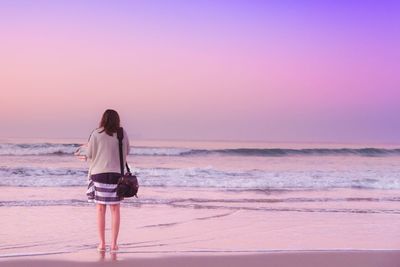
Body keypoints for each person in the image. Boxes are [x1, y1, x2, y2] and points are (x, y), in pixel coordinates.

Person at [85, 109, 130, 253]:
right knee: (115, 209)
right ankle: (114, 244)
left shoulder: (96, 133)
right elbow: (127, 151)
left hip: (99, 174)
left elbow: (89, 154)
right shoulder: (122, 134)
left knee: (100, 209)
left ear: (103, 119)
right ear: (117, 119)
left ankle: (102, 244)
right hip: (116, 175)